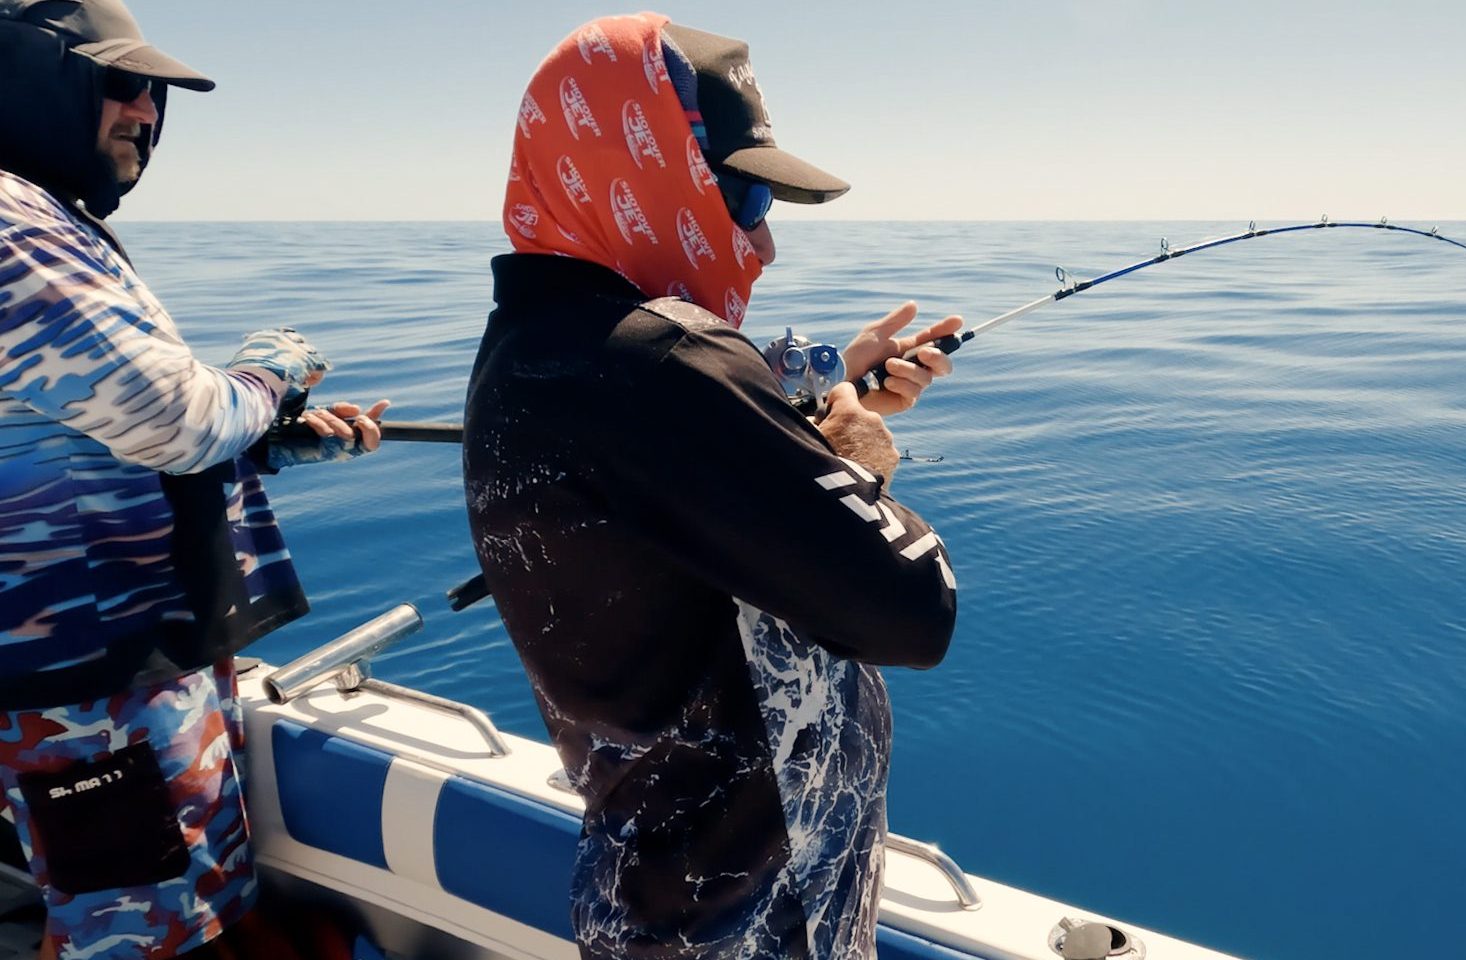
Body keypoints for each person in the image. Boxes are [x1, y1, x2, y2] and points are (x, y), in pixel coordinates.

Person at [464, 13, 959, 960]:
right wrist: (862, 464)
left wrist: (811, 393)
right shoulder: (668, 364)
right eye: (741, 196)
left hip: (646, 900)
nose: (764, 246)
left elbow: (672, 467)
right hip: (759, 925)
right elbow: (915, 612)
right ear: (637, 162)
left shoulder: (534, 344)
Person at [0, 2, 389, 957]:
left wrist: (265, 444)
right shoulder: (10, 223)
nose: (145, 110)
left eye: (156, 92)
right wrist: (274, 371)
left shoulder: (46, 219)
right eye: (116, 83)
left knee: (178, 915)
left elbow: (85, 426)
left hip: (115, 673)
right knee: (136, 938)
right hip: (86, 693)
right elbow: (178, 416)